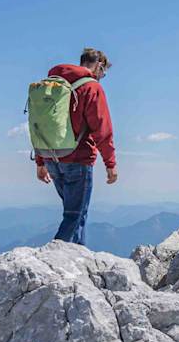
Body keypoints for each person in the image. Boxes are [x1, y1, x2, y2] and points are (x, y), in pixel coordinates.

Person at [35, 48, 118, 245]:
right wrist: (110, 163)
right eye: (103, 73)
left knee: (74, 215)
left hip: (52, 158)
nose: (102, 77)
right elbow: (102, 128)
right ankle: (52, 261)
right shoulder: (91, 87)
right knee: (74, 217)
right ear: (99, 65)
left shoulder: (53, 86)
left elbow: (40, 124)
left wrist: (40, 161)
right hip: (78, 160)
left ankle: (77, 264)